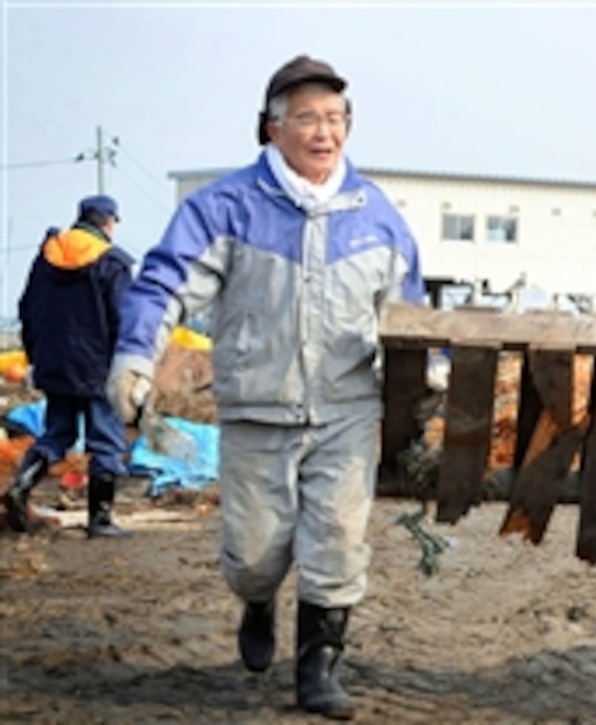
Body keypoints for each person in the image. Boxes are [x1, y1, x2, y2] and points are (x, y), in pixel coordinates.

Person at [106, 55, 424, 719]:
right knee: (255, 555)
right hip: (257, 410)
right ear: (271, 130)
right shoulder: (225, 208)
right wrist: (135, 358)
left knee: (336, 540)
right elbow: (164, 283)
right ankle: (256, 601)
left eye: (336, 119)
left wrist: (423, 393)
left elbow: (411, 318)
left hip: (344, 410)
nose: (324, 132)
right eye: (307, 118)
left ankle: (318, 668)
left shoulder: (378, 218)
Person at [3, 195, 134, 538]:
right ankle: (100, 519)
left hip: (54, 364)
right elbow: (125, 320)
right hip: (97, 368)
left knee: (57, 434)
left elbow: (27, 309)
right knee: (105, 439)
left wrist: (36, 358)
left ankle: (20, 487)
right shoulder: (113, 263)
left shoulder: (46, 256)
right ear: (108, 222)